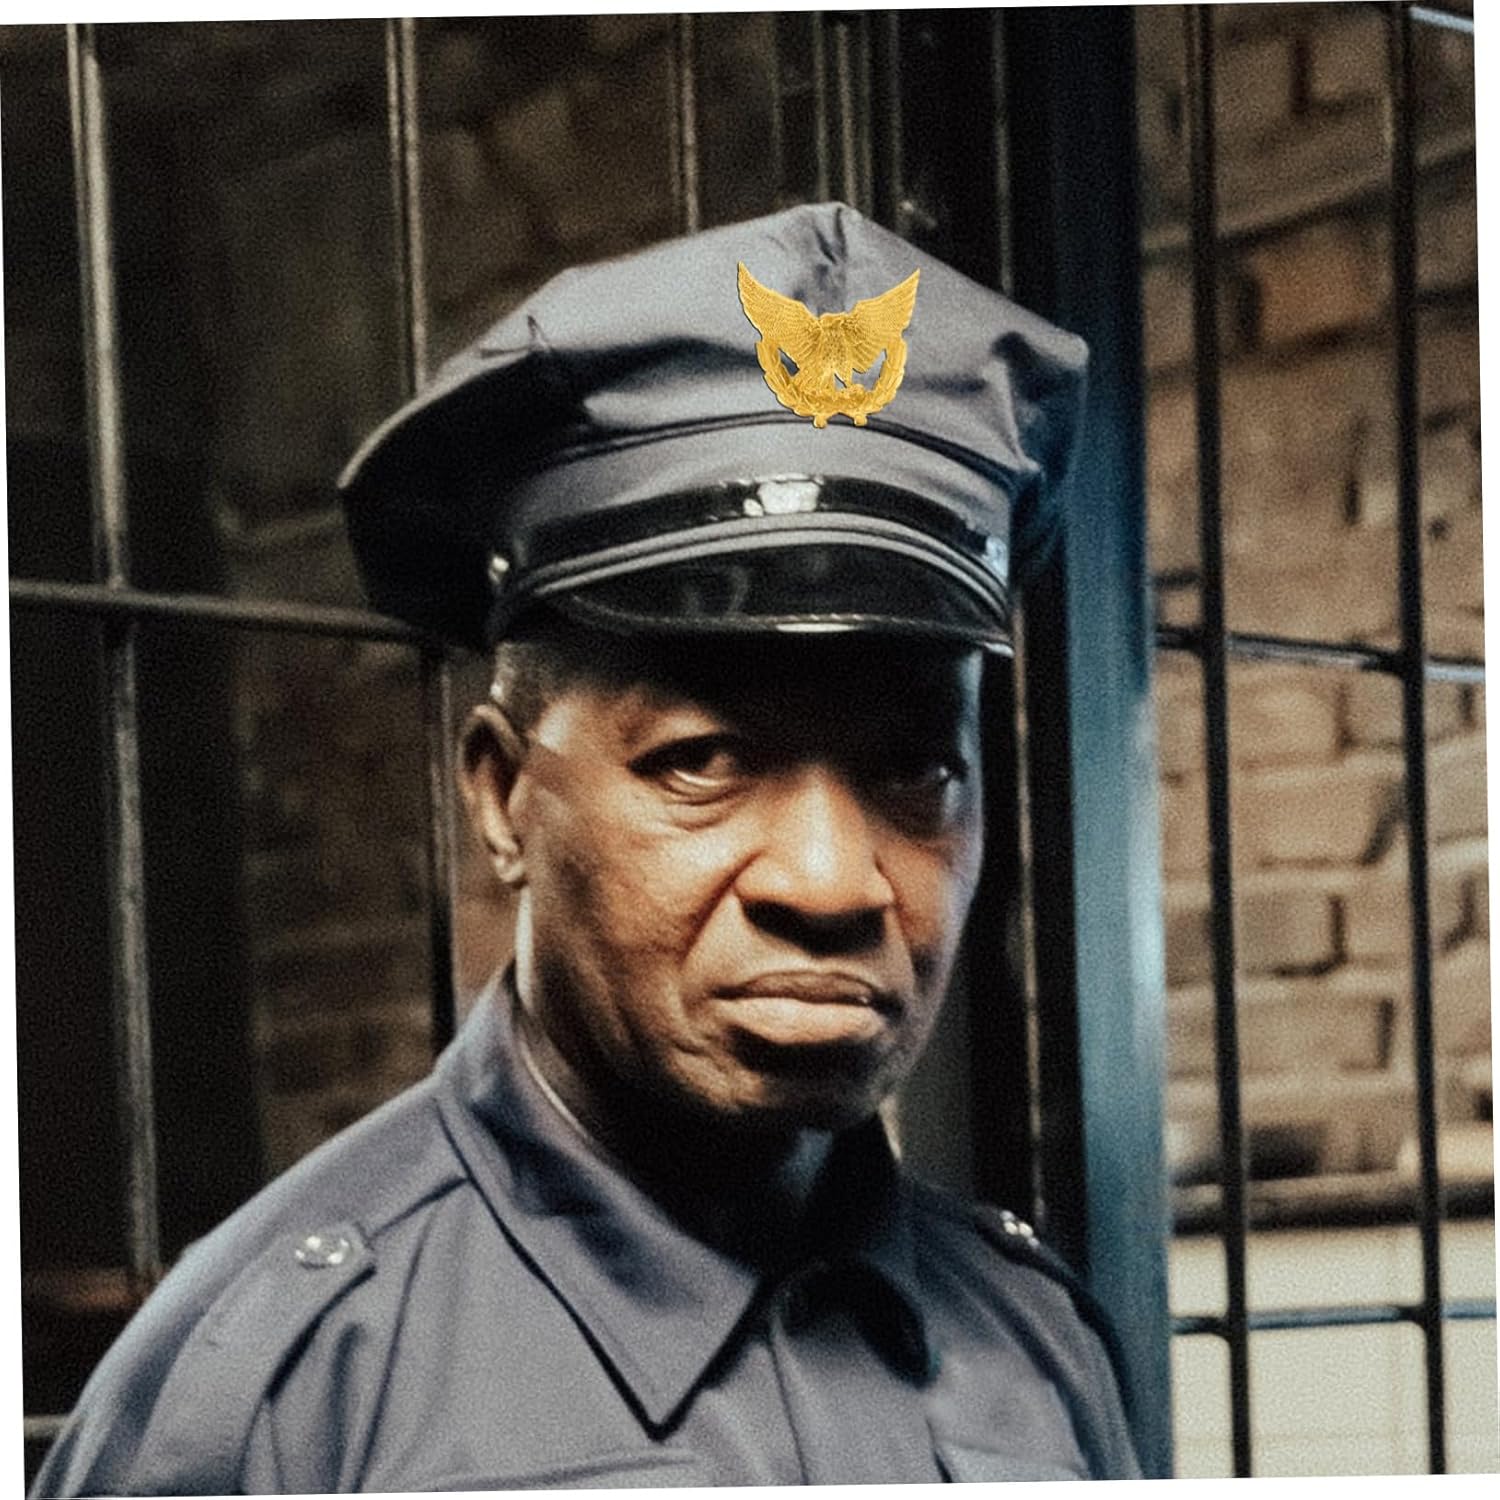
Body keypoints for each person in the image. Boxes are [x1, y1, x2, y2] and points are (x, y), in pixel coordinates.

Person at [32, 201, 1141, 1493]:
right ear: (505, 799)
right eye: (703, 760)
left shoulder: (1035, 1344)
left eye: (916, 772)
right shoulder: (277, 1403)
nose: (832, 882)